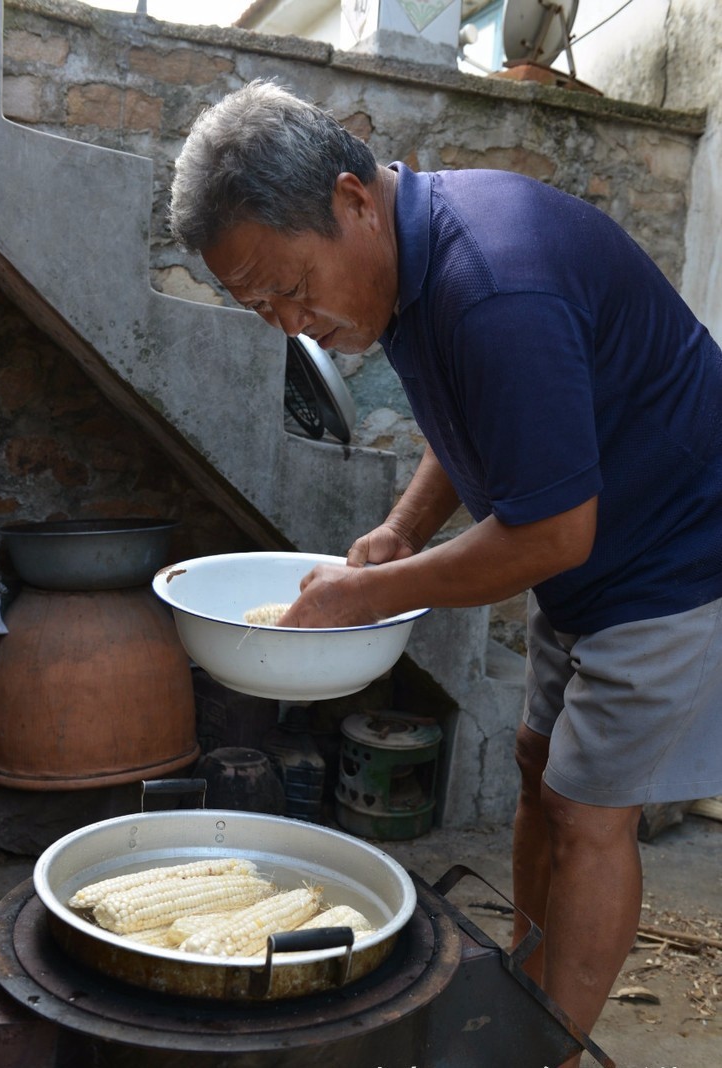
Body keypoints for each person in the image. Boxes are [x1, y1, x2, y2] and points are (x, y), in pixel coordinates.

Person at [169, 79, 722, 1065]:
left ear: (349, 200)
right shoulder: (411, 270)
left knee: (590, 809)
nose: (290, 324)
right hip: (598, 547)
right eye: (260, 307)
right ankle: (521, 986)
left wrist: (373, 590)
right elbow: (475, 419)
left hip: (677, 549)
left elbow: (553, 534)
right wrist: (401, 529)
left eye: (291, 287)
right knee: (534, 767)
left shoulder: (494, 282)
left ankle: (538, 1050)